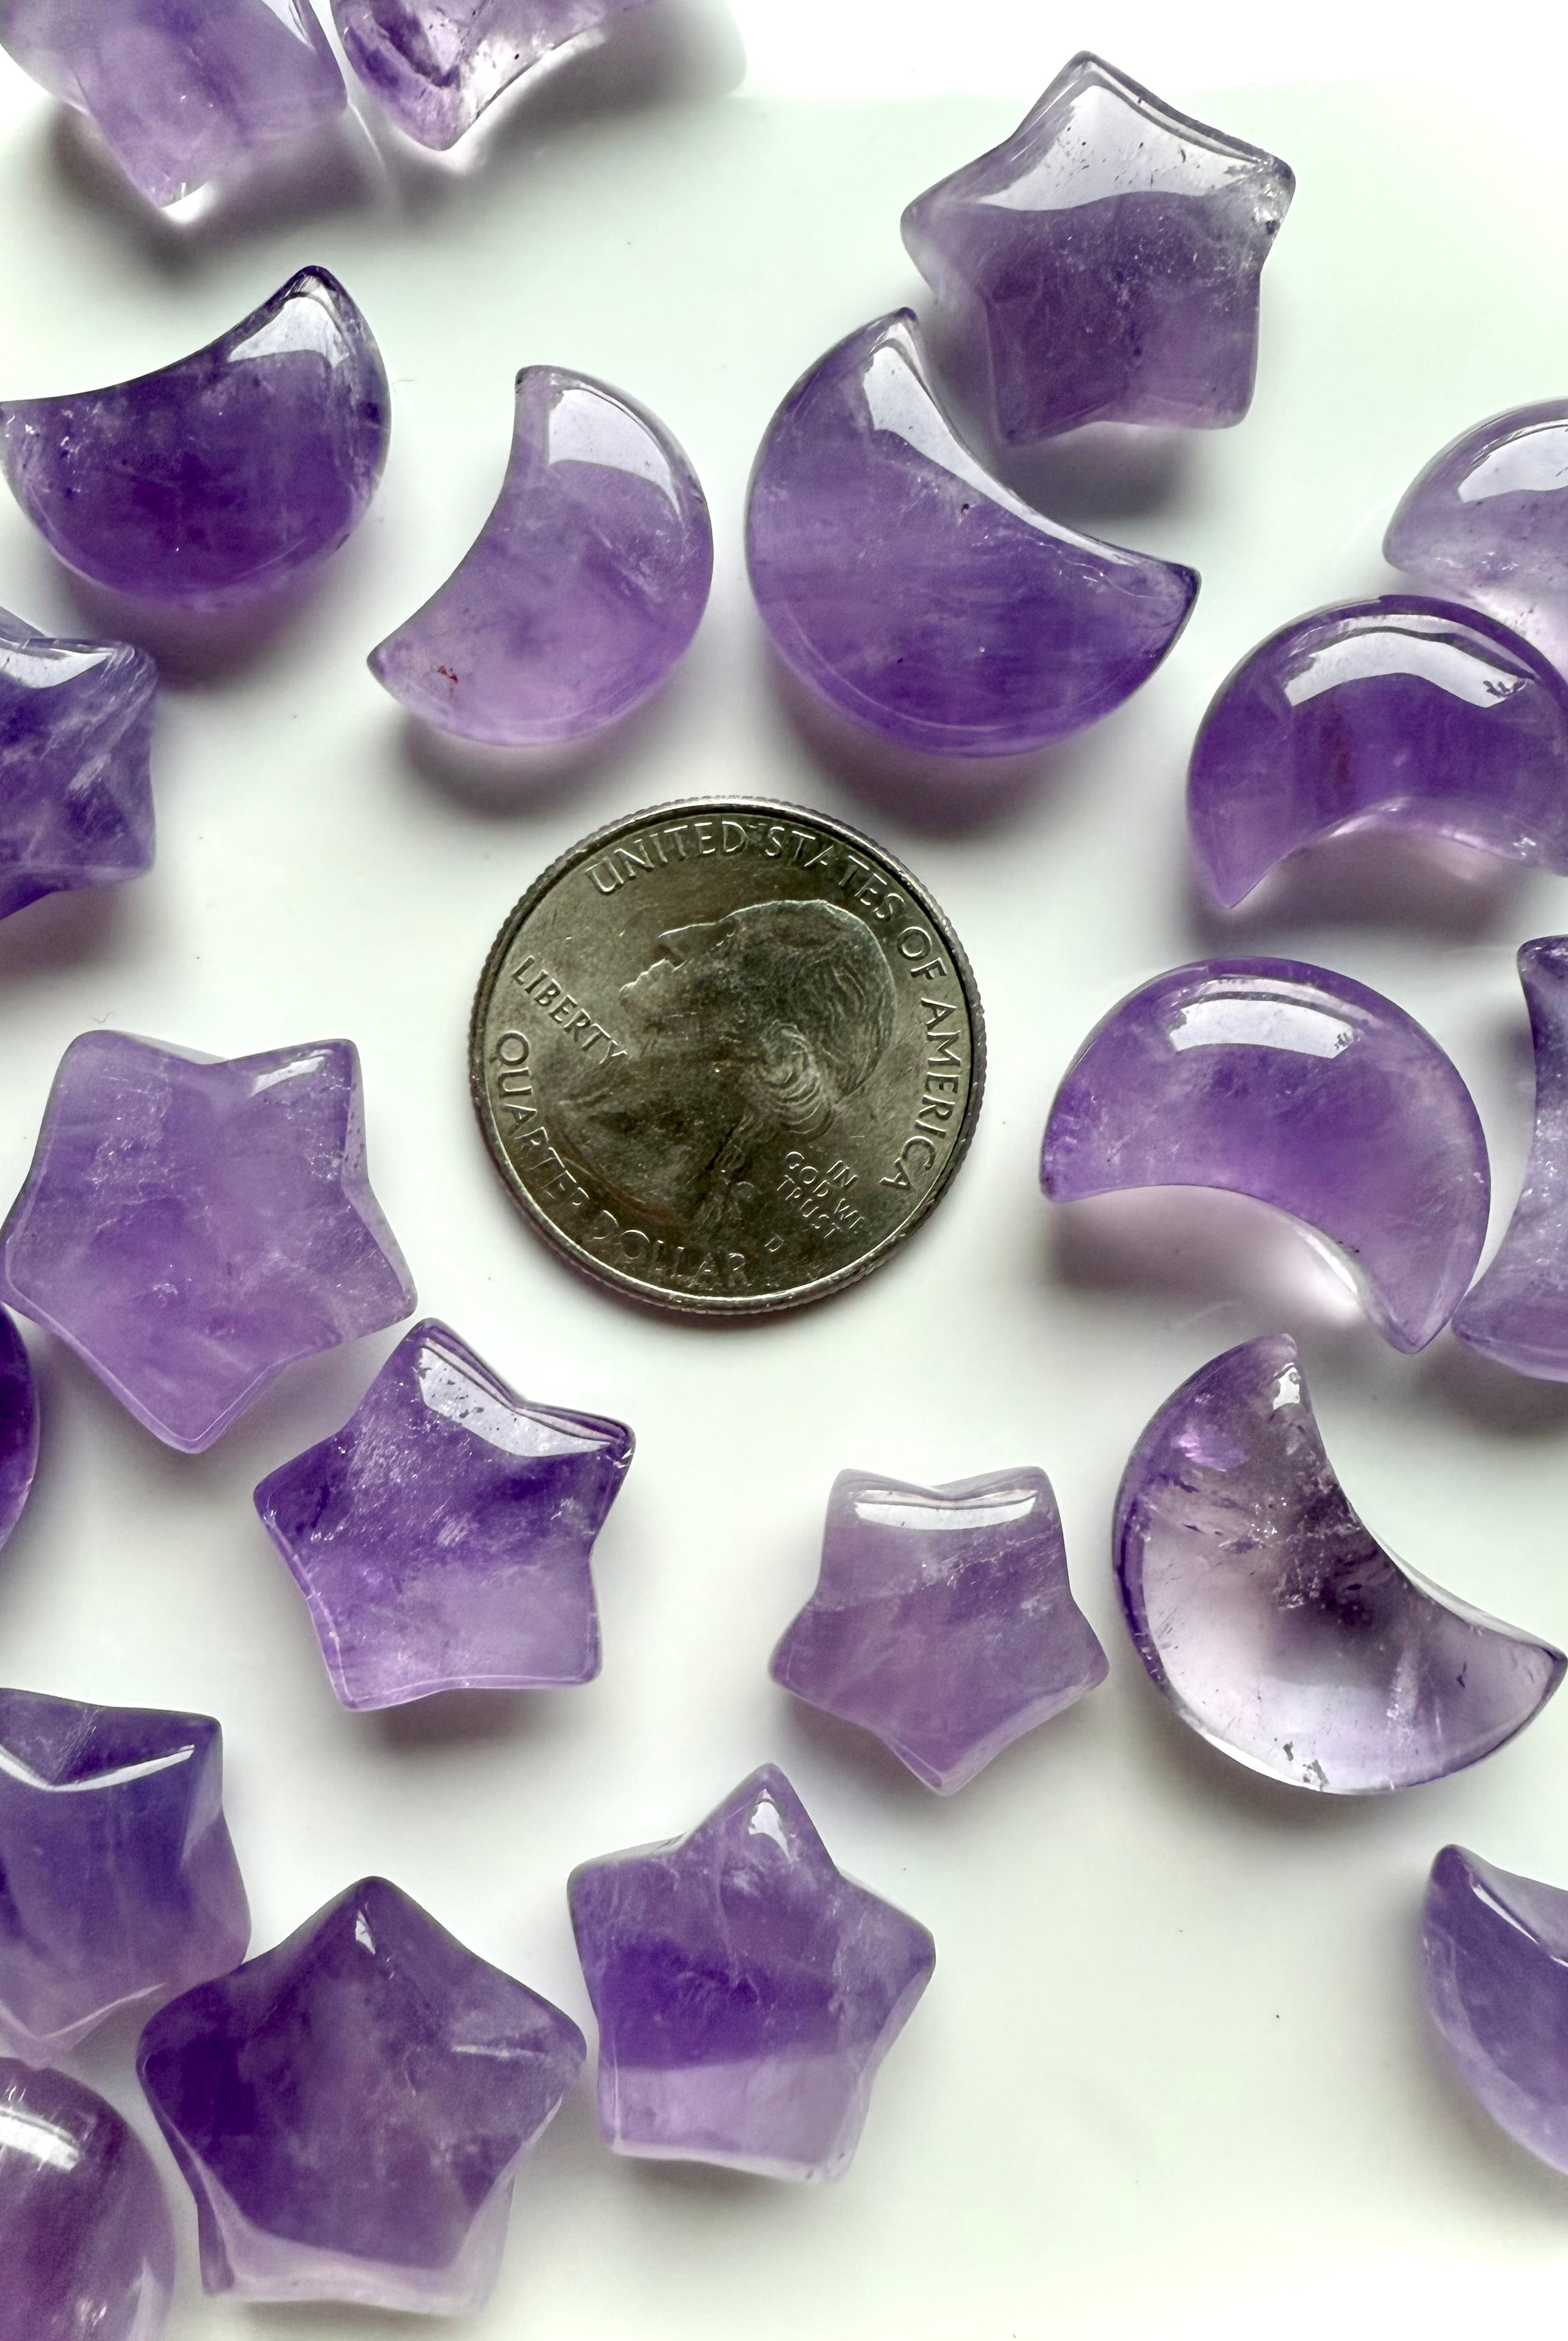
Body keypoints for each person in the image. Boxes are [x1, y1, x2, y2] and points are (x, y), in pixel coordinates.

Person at [557, 897, 897, 1232]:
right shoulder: (590, 1115)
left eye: (724, 944)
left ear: (760, 1042)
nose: (672, 939)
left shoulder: (615, 1155)